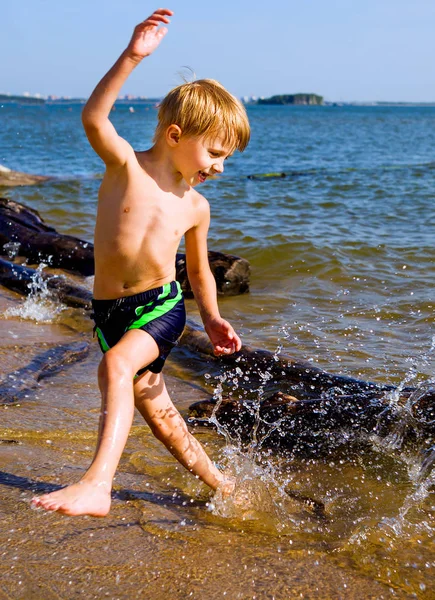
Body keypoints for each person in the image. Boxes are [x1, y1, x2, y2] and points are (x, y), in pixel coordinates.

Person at [31, 8, 250, 517]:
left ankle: (96, 484)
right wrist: (132, 56)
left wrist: (213, 317)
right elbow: (94, 117)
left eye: (226, 159)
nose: (218, 168)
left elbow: (197, 273)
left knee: (117, 365)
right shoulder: (125, 166)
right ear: (175, 136)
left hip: (160, 307)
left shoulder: (196, 206)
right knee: (158, 408)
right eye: (214, 153)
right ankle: (225, 487)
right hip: (109, 313)